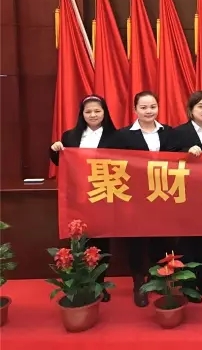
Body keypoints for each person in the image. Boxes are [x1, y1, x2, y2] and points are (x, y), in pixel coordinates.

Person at [105, 91, 172, 307]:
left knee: (161, 240)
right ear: (135, 110)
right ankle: (139, 284)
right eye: (143, 107)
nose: (148, 111)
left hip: (162, 196)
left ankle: (157, 279)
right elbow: (110, 162)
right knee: (137, 242)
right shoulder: (122, 136)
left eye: (152, 106)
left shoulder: (169, 132)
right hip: (134, 198)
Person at [50, 94, 117, 302]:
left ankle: (99, 285)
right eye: (88, 111)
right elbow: (60, 161)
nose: (93, 114)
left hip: (104, 195)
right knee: (80, 241)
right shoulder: (70, 136)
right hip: (78, 196)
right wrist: (55, 149)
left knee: (101, 242)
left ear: (104, 113)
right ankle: (83, 284)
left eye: (97, 110)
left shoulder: (117, 136)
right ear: (82, 114)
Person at [167, 90, 202, 302]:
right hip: (186, 195)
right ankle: (188, 285)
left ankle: (201, 280)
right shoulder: (179, 132)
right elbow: (167, 158)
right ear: (191, 109)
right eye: (200, 106)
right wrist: (186, 152)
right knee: (187, 241)